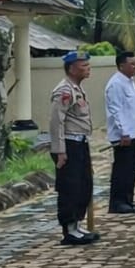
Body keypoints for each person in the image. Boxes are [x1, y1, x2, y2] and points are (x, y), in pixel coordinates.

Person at [49, 50, 98, 246]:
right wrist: (60, 151)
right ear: (71, 68)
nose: (88, 69)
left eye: (87, 65)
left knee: (84, 185)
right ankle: (69, 229)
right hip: (68, 144)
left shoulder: (76, 88)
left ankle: (77, 225)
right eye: (83, 66)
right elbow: (56, 121)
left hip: (80, 142)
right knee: (71, 187)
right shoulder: (64, 91)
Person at [104, 50, 135, 215]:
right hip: (124, 135)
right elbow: (116, 111)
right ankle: (118, 202)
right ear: (121, 65)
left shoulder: (130, 81)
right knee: (122, 169)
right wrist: (124, 132)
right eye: (132, 64)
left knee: (131, 169)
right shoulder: (115, 84)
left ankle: (128, 199)